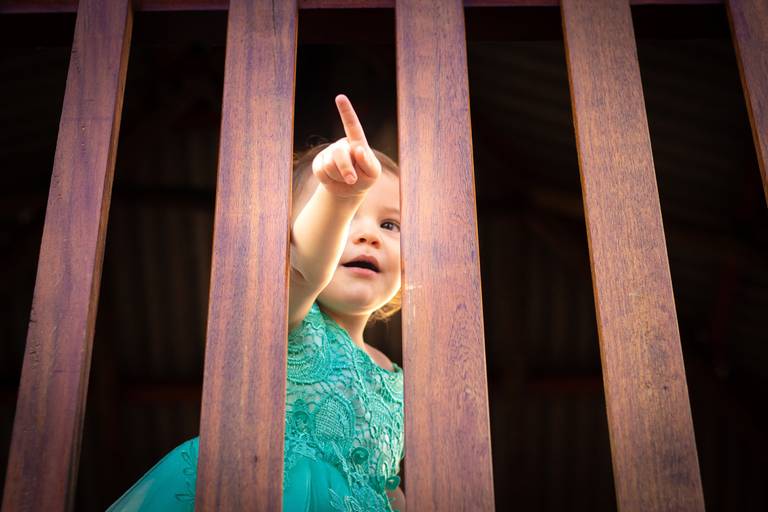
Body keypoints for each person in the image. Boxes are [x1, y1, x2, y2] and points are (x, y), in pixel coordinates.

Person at [106, 94, 406, 512]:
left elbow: (385, 480)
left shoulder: (399, 379)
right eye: (350, 219)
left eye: (390, 224)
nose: (369, 235)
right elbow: (305, 269)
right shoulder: (295, 319)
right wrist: (338, 197)